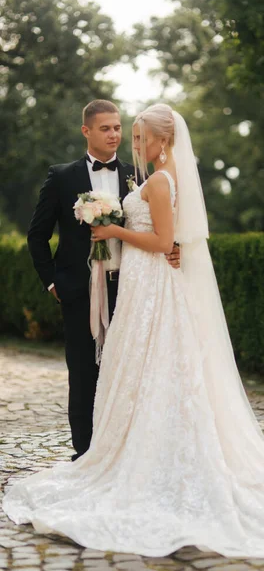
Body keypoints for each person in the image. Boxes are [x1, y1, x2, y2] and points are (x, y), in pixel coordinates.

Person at [4, 104, 264, 558]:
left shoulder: (150, 178)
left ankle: (141, 458)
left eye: (132, 135)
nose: (126, 141)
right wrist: (60, 277)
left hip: (140, 288)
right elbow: (58, 234)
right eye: (115, 131)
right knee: (97, 371)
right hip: (98, 287)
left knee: (147, 368)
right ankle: (92, 453)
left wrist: (136, 236)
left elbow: (160, 233)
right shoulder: (85, 175)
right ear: (87, 131)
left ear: (162, 140)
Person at [26, 99, 179, 461]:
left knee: (127, 368)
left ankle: (123, 448)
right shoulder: (62, 177)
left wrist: (177, 249)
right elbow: (37, 235)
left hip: (131, 286)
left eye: (118, 128)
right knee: (82, 370)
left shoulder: (137, 172)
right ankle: (85, 452)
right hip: (79, 289)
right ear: (87, 131)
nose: (114, 135)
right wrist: (52, 282)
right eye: (105, 128)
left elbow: (163, 221)